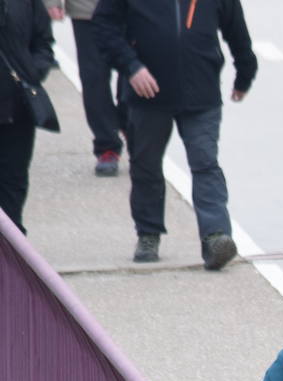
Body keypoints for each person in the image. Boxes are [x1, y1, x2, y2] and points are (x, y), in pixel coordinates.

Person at [92, 0, 256, 269]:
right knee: (145, 165)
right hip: (147, 94)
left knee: (205, 163)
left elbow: (235, 28)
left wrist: (245, 73)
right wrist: (131, 68)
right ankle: (148, 234)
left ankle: (216, 237)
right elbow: (103, 27)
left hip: (201, 92)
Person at [45, 1, 123, 175]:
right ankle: (107, 146)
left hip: (137, 10)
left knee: (135, 75)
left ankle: (126, 123)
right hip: (87, 10)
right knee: (94, 79)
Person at [0, 0, 54, 234]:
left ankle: (12, 248)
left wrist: (32, 71)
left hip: (17, 107)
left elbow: (43, 43)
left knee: (14, 180)